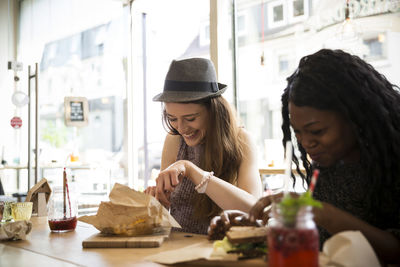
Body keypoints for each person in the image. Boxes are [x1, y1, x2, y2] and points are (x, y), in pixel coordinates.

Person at [208, 49, 400, 264]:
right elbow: (319, 239)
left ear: (355, 116)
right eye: (298, 131)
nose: (306, 143)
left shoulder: (391, 160)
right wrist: (257, 230)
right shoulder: (326, 165)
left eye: (317, 131)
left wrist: (324, 213)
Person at [144, 58, 262, 235]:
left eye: (191, 118)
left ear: (214, 110)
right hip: (177, 249)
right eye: (172, 119)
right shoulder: (173, 140)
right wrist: (157, 202)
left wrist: (192, 170)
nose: (182, 128)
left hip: (221, 252)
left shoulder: (242, 141)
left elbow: (253, 210)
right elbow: (165, 212)